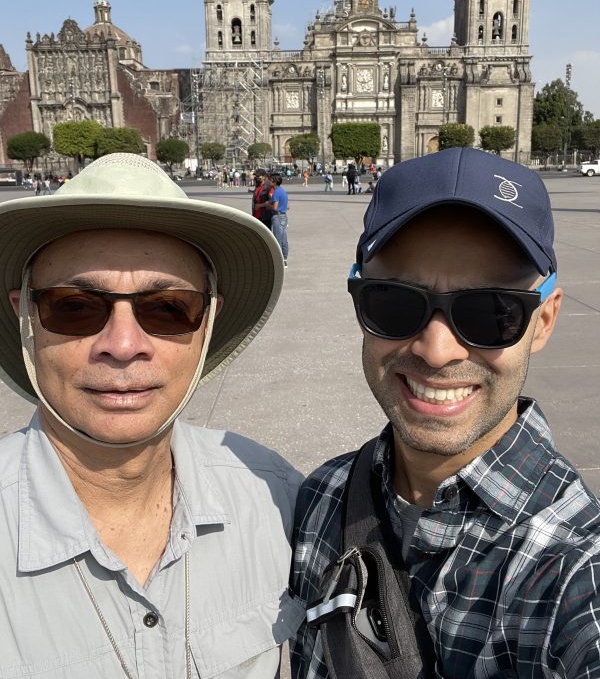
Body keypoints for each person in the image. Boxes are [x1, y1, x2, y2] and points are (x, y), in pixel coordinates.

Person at [291, 147, 600, 677]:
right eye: (392, 302)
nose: (437, 351)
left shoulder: (575, 570)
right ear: (358, 304)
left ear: (544, 320)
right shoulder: (322, 497)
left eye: (492, 313)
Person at [0, 153, 304, 677]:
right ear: (24, 315)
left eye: (168, 308)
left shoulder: (277, 499)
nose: (122, 345)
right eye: (74, 306)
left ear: (207, 323)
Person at [269, 172, 289, 266]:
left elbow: (275, 207)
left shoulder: (276, 192)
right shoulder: (283, 190)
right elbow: (287, 206)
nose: (269, 181)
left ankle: (280, 261)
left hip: (277, 216)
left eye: (270, 180)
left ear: (274, 181)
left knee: (277, 239)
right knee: (284, 239)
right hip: (284, 216)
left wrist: (267, 205)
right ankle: (285, 259)